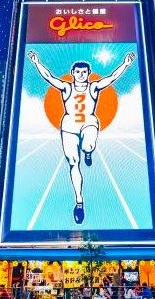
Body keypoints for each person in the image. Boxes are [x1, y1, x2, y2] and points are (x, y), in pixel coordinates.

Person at [27, 50, 136, 223]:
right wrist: (36, 62)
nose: (80, 75)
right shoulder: (66, 87)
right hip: (69, 126)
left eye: (84, 72)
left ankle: (87, 152)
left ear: (88, 73)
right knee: (72, 162)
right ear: (73, 73)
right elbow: (49, 77)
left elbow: (112, 77)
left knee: (87, 146)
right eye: (77, 72)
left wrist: (126, 63)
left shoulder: (93, 87)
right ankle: (79, 201)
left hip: (89, 123)